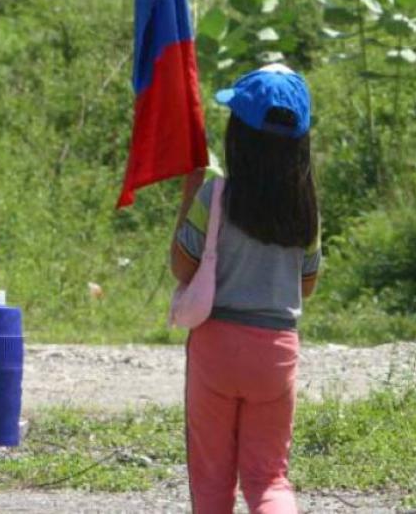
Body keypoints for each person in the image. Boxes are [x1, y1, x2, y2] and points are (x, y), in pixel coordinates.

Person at [170, 64, 320, 514]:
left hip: (216, 347)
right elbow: (307, 285)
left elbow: (182, 267)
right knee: (269, 478)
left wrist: (189, 195)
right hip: (275, 352)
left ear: (239, 136)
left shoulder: (215, 195)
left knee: (212, 483)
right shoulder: (306, 208)